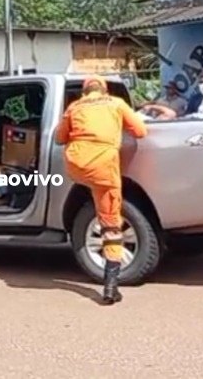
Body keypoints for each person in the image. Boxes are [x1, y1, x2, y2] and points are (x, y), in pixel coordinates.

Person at [55, 75, 148, 305]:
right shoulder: (115, 103)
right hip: (103, 167)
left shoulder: (74, 107)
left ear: (85, 92)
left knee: (93, 187)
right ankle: (110, 287)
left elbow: (59, 137)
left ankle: (89, 201)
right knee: (111, 224)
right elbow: (140, 131)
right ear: (104, 90)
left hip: (75, 166)